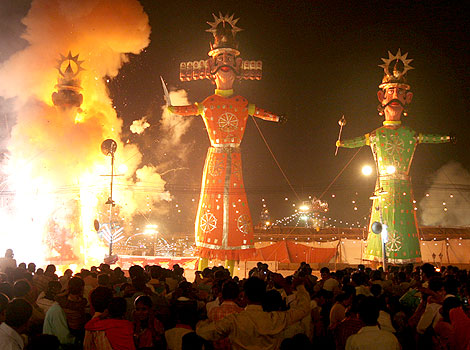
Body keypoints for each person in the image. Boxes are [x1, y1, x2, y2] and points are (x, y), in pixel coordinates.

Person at [169, 13, 283, 272]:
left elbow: (262, 112)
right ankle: (203, 267)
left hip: (235, 157)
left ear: (237, 71)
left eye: (229, 65)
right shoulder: (208, 104)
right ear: (212, 73)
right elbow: (188, 109)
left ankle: (231, 267)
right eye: (221, 65)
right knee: (210, 202)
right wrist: (172, 109)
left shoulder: (242, 103)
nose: (225, 72)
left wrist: (277, 118)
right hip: (216, 156)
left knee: (236, 203)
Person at [337, 50, 453, 264]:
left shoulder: (411, 135)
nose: (395, 97)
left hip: (403, 187)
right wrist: (342, 143)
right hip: (382, 186)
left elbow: (430, 137)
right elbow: (356, 142)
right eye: (390, 92)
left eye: (400, 92)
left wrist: (447, 137)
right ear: (381, 97)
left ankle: (404, 259)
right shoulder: (376, 135)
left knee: (405, 222)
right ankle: (379, 259)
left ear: (408, 98)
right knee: (380, 222)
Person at [196, 276, 310, 350]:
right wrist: (300, 287)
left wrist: (203, 322)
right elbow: (303, 309)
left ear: (244, 296)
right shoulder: (276, 319)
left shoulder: (234, 320)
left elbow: (203, 332)